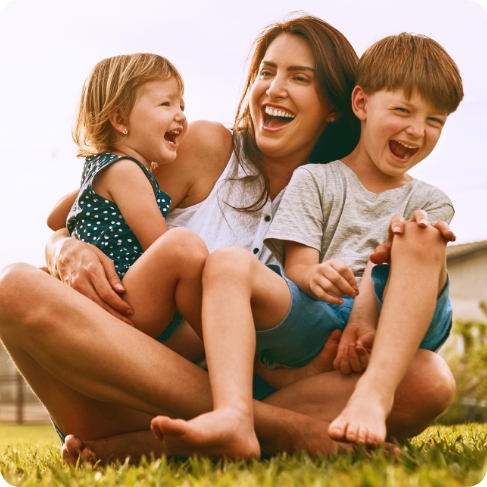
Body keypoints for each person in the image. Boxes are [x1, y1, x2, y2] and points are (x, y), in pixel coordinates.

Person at [0, 16, 454, 464]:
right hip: (124, 382)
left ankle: (157, 444)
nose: (274, 88)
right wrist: (64, 249)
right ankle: (280, 430)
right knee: (13, 286)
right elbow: (92, 208)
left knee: (428, 378)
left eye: (299, 78)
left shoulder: (347, 193)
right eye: (266, 72)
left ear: (336, 106)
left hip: (279, 389)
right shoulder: (207, 147)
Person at [150, 33, 462, 458]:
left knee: (419, 238)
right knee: (227, 263)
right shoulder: (314, 179)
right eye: (403, 111)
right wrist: (313, 274)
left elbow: (391, 269)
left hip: (397, 322)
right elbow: (297, 265)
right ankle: (234, 415)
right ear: (361, 105)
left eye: (434, 121)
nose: (415, 130)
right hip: (323, 315)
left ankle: (373, 395)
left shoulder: (429, 200)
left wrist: (366, 320)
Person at [66, 52, 207, 341]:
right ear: (119, 119)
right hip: (125, 300)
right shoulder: (126, 171)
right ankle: (227, 341)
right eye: (166, 104)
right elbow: (160, 245)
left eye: (181, 104)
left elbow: (58, 216)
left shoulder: (100, 167)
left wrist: (66, 241)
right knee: (182, 245)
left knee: (199, 342)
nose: (180, 114)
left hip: (118, 302)